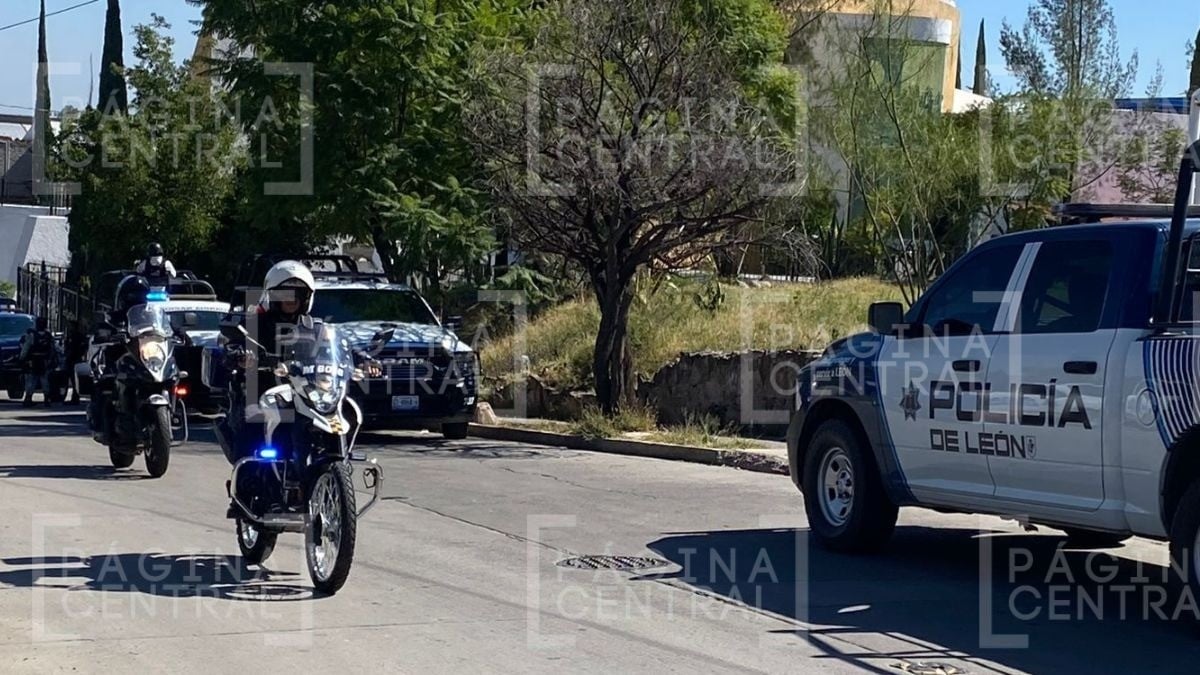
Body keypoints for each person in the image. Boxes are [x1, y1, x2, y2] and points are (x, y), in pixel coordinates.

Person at [215, 261, 379, 515]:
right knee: (253, 427)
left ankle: (330, 472)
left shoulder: (315, 327)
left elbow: (341, 348)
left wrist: (364, 360)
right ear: (272, 295)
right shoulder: (255, 323)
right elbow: (231, 345)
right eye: (284, 293)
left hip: (306, 391)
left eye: (298, 294)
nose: (291, 300)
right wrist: (238, 354)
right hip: (264, 389)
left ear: (307, 298)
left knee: (345, 410)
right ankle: (246, 492)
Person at [19, 317, 55, 407]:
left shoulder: (32, 335)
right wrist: (51, 359)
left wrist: (22, 358)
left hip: (33, 360)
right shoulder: (48, 335)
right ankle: (47, 399)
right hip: (44, 360)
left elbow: (26, 347)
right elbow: (53, 349)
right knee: (44, 380)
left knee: (31, 380)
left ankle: (28, 398)